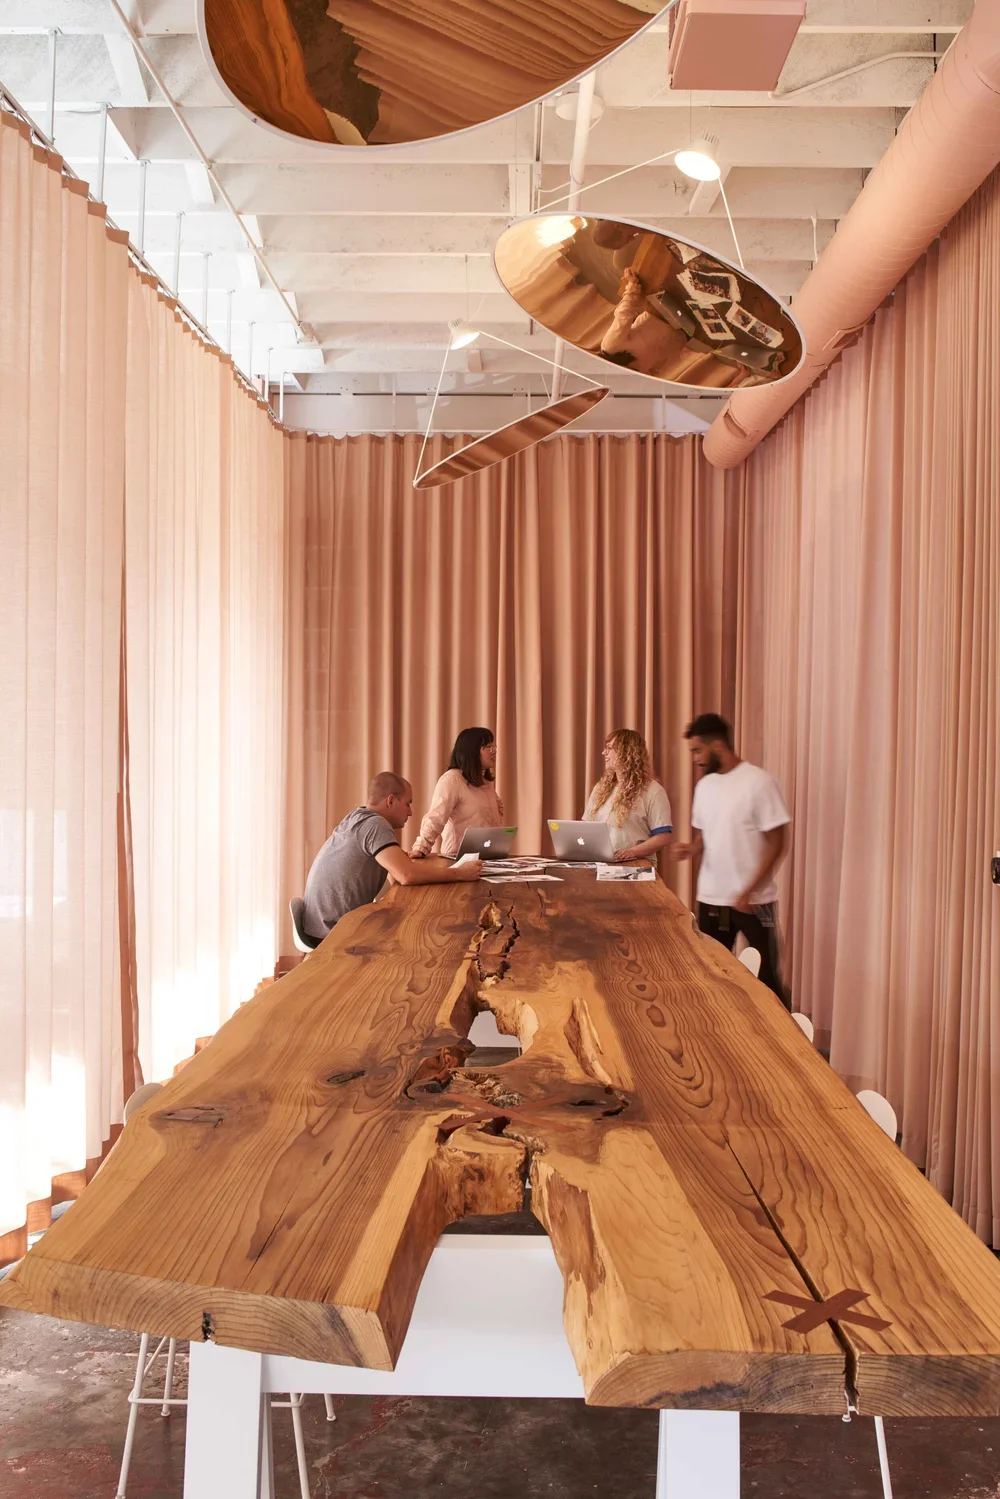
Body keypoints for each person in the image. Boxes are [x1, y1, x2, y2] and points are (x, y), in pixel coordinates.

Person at [673, 713, 790, 1006]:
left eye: (698, 750)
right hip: (713, 900)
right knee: (711, 975)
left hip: (756, 903)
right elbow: (710, 835)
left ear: (718, 745)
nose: (695, 759)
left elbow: (779, 843)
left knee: (768, 980)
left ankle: (785, 1046)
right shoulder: (705, 787)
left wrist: (750, 889)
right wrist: (692, 848)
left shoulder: (759, 783)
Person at [301, 772, 482, 943]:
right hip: (331, 933)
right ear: (391, 801)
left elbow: (392, 864)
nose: (410, 812)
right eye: (407, 803)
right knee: (416, 932)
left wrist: (400, 856)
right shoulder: (375, 824)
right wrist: (460, 873)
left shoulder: (357, 818)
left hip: (317, 926)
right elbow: (406, 875)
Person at [412, 727, 504, 859]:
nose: (494, 752)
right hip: (457, 859)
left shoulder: (484, 782)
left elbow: (497, 812)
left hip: (487, 857)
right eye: (488, 747)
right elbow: (436, 817)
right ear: (472, 751)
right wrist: (421, 847)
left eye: (493, 746)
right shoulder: (452, 779)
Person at [583, 728, 673, 862]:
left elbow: (663, 836)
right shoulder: (600, 788)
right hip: (601, 864)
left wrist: (632, 852)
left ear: (626, 752)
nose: (603, 753)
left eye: (609, 748)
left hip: (636, 865)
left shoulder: (653, 791)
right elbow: (586, 826)